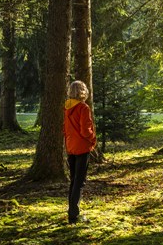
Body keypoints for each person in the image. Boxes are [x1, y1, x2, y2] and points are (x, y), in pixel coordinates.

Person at [63, 80, 96, 224]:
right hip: (82, 147)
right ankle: (73, 215)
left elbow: (66, 129)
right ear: (83, 92)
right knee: (79, 181)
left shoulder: (67, 107)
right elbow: (85, 129)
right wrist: (93, 139)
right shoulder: (83, 108)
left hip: (71, 147)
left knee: (73, 180)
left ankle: (71, 212)